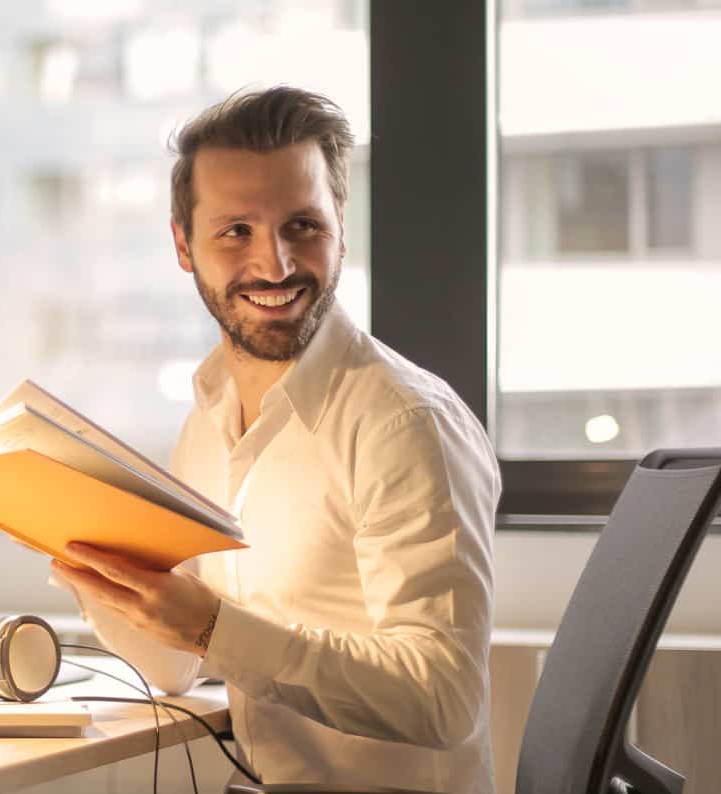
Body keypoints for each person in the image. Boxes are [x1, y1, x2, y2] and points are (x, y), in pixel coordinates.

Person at [50, 86, 500, 793]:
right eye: (235, 231)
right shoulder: (207, 415)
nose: (276, 264)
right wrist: (87, 560)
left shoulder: (404, 422)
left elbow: (442, 700)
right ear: (182, 245)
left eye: (301, 226)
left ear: (340, 230)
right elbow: (173, 667)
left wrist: (214, 630)